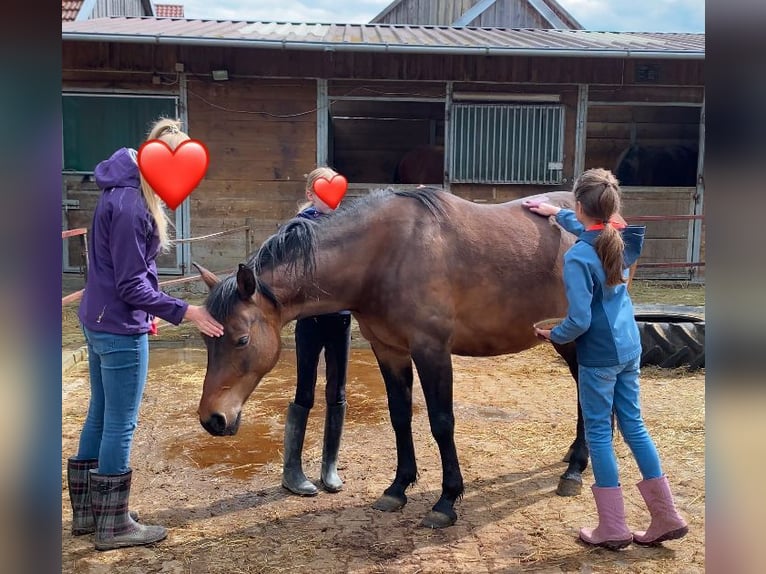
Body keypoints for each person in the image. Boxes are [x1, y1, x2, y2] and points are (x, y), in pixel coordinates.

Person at [68, 118, 224, 551]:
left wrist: (150, 309)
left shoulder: (119, 193)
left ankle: (88, 514)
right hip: (117, 326)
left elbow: (129, 276)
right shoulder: (133, 206)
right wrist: (186, 310)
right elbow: (131, 284)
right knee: (121, 422)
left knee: (99, 414)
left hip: (99, 317)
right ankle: (113, 524)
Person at [527, 168, 688, 549]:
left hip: (598, 355)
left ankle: (612, 528)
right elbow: (590, 226)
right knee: (634, 426)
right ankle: (666, 514)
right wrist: (555, 212)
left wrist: (555, 335)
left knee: (599, 433)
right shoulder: (621, 238)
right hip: (628, 346)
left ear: (580, 205)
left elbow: (579, 319)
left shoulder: (579, 257)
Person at [281, 167, 351, 496]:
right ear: (311, 194)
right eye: (324, 193)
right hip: (310, 320)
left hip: (340, 319)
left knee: (337, 391)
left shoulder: (348, 226)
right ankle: (292, 469)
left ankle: (329, 466)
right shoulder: (298, 228)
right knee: (304, 390)